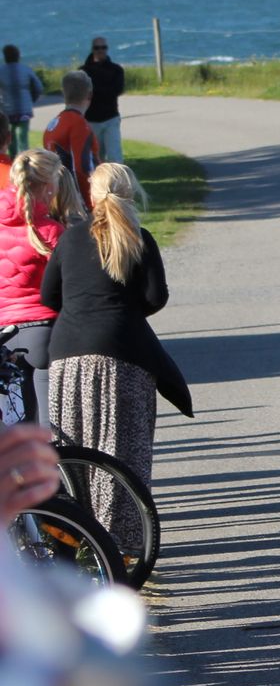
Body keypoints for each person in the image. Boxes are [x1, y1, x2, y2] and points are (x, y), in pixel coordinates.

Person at [42, 164, 193, 560]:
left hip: (69, 355)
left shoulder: (71, 239)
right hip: (123, 355)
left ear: (92, 196)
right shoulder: (139, 239)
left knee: (74, 448)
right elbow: (155, 297)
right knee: (122, 452)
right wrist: (124, 310)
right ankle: (120, 544)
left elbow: (48, 295)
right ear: (129, 193)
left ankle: (74, 535)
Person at [0, 151, 81, 421]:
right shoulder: (49, 231)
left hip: (5, 334)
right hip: (44, 330)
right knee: (51, 429)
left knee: (18, 428)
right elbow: (71, 284)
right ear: (48, 185)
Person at [43, 72, 99, 202]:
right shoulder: (79, 124)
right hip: (76, 200)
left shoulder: (54, 123)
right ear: (89, 94)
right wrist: (92, 203)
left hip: (59, 196)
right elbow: (82, 167)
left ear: (64, 94)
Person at [79, 36, 124, 165]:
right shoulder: (83, 71)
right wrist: (104, 90)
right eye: (97, 48)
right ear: (92, 50)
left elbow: (117, 90)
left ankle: (119, 183)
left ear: (107, 49)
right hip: (91, 120)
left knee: (115, 156)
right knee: (95, 157)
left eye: (103, 47)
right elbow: (82, 93)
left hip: (110, 118)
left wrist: (95, 90)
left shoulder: (116, 70)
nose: (100, 50)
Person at [0, 46, 43, 159]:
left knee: (10, 139)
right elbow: (38, 87)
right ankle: (24, 162)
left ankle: (13, 161)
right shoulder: (26, 69)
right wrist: (31, 100)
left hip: (7, 110)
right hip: (24, 109)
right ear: (18, 56)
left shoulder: (1, 70)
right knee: (23, 138)